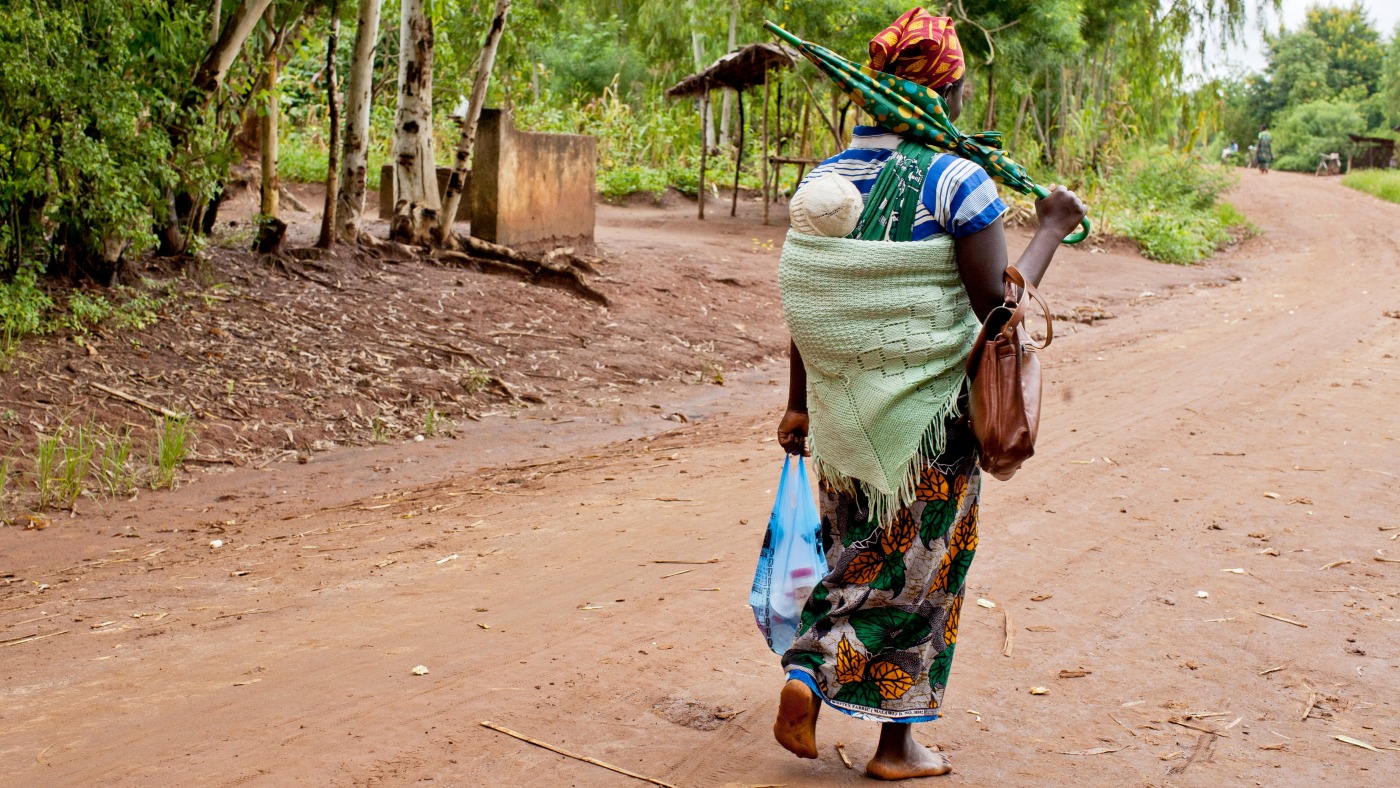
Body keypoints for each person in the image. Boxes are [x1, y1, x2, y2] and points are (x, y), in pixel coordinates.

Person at [771, 7, 1086, 780]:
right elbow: (1000, 316)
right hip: (928, 427)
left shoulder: (824, 180)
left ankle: (808, 673)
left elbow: (811, 304)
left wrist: (800, 404)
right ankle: (895, 746)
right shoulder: (957, 181)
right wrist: (1049, 228)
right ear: (943, 93)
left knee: (852, 554)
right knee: (921, 574)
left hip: (845, 418)